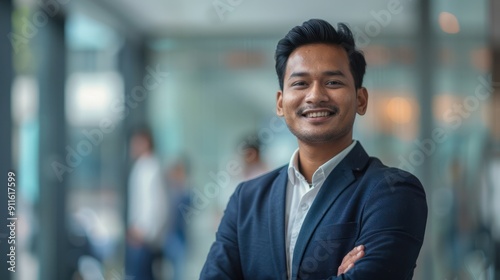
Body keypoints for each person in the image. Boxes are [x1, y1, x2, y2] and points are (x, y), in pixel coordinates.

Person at [200, 19, 427, 280]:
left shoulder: (392, 191)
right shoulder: (247, 199)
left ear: (361, 100)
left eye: (332, 82)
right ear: (280, 103)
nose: (315, 95)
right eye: (300, 83)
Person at [126, 127, 168, 280]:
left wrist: (144, 231)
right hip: (140, 236)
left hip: (144, 238)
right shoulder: (142, 166)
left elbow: (156, 205)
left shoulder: (151, 167)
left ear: (145, 142)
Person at [162, 157, 191, 280]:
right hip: (167, 237)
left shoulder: (186, 193)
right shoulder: (167, 192)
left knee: (178, 272)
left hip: (180, 238)